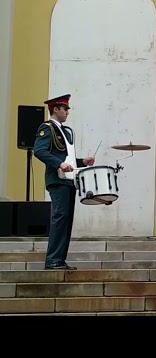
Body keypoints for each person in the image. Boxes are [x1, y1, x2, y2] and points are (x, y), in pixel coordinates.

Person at [33, 94, 95, 270]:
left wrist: (83, 162)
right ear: (55, 109)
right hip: (57, 180)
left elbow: (68, 158)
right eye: (65, 108)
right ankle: (53, 259)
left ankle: (59, 259)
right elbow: (39, 151)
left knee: (66, 220)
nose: (68, 111)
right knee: (60, 218)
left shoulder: (65, 131)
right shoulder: (47, 128)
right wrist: (59, 163)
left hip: (69, 181)